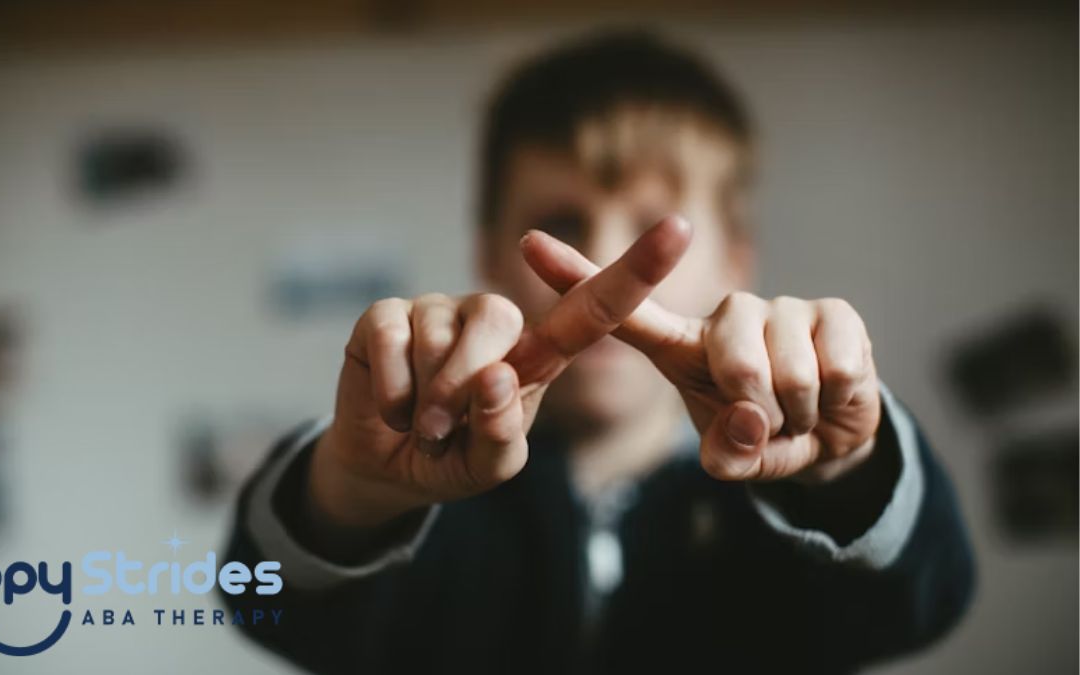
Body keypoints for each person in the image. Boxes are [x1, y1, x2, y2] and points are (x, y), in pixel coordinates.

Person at [221, 30, 975, 674]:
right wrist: (354, 493)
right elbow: (262, 601)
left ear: (737, 262)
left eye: (653, 229)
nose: (603, 271)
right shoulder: (426, 486)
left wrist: (846, 471)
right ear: (489, 253)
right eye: (561, 221)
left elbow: (925, 600)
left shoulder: (779, 513)